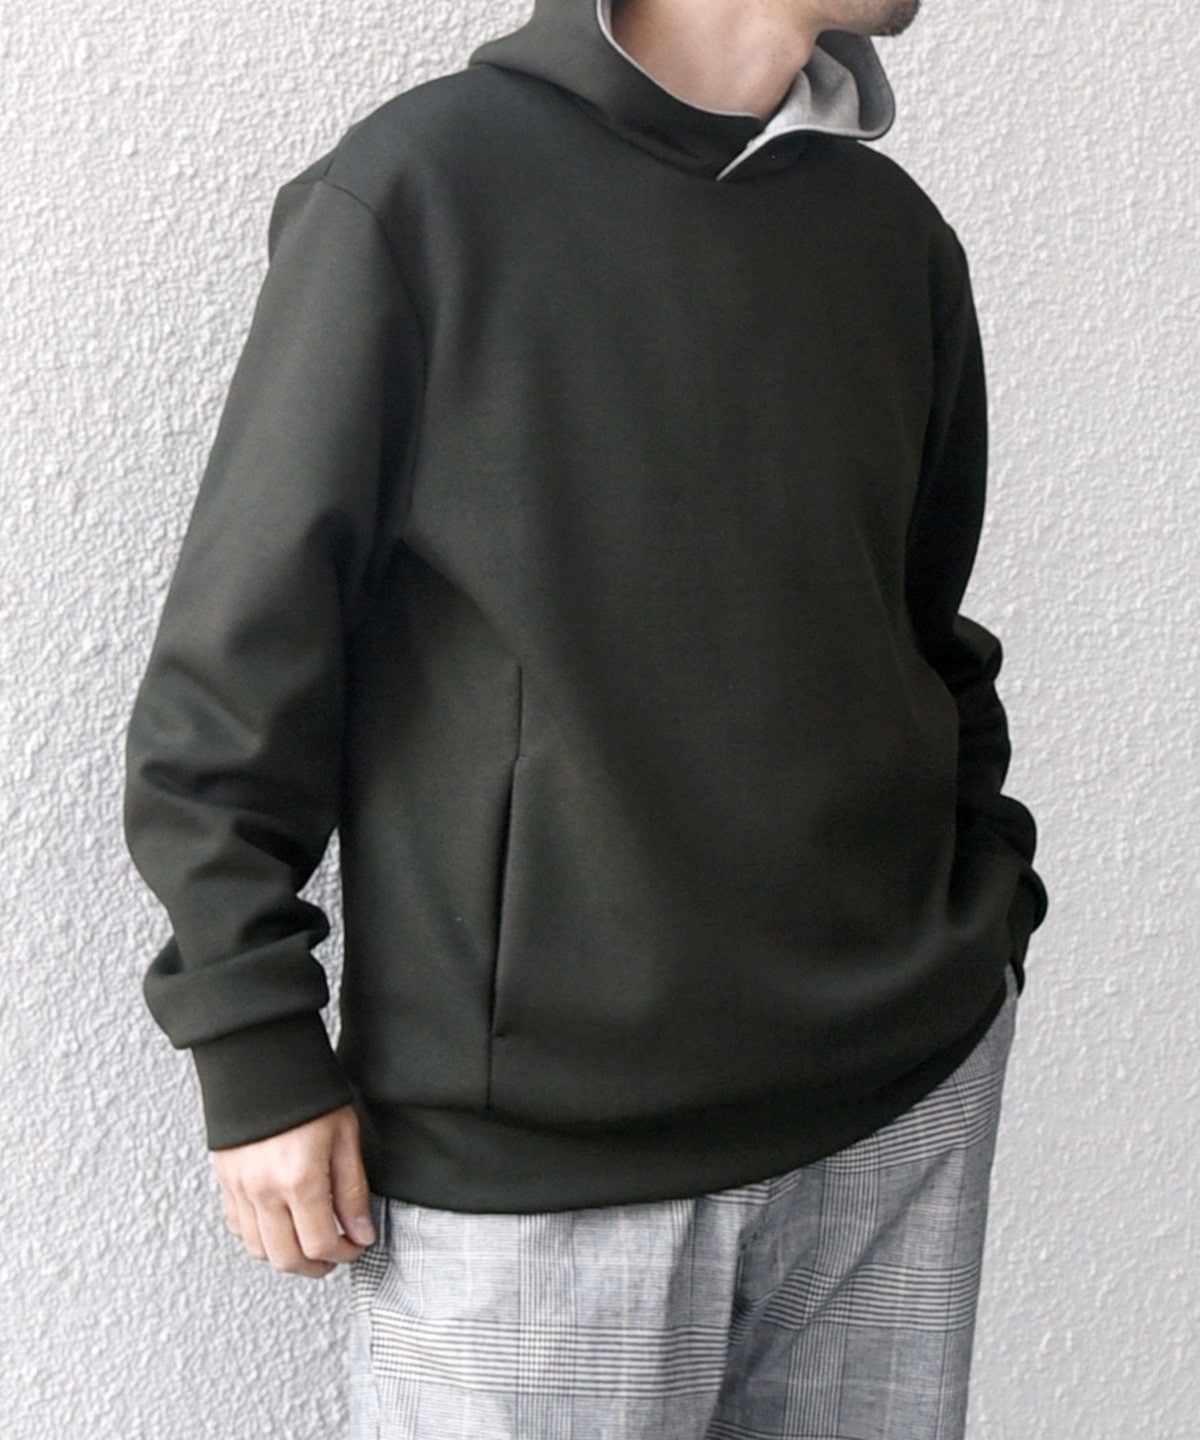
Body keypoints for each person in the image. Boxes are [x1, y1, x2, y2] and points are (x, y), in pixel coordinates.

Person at [124, 0, 1048, 1435]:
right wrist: (251, 1041)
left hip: (897, 1112)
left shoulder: (891, 237)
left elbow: (920, 628)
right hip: (543, 1170)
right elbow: (237, 671)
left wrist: (989, 917)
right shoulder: (423, 192)